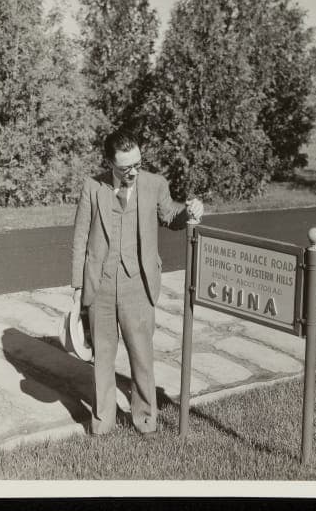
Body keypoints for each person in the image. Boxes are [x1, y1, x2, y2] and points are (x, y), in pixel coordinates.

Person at [71, 129, 203, 437]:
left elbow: (171, 216)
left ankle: (145, 420)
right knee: (102, 357)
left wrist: (191, 210)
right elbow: (79, 240)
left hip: (138, 285)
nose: (133, 172)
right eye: (125, 167)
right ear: (110, 163)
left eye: (138, 164)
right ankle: (102, 422)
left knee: (141, 356)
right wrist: (77, 290)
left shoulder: (155, 184)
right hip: (99, 285)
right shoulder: (93, 187)